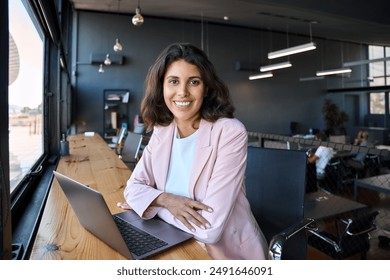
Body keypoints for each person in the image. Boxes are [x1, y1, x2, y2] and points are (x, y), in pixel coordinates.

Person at [123, 43, 268, 259]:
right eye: (173, 81)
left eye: (194, 82)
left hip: (223, 255)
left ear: (206, 88)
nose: (182, 92)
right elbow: (132, 189)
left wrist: (150, 205)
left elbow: (209, 230)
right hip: (173, 244)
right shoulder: (163, 130)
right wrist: (166, 199)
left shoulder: (229, 132)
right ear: (161, 86)